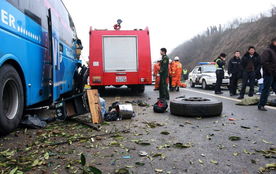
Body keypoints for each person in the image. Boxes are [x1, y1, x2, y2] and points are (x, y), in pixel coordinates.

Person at [258, 38, 276, 111]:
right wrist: (270, 71)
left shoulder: (275, 51)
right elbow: (264, 62)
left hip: (275, 74)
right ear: (273, 42)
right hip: (269, 74)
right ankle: (261, 105)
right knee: (266, 89)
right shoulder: (268, 50)